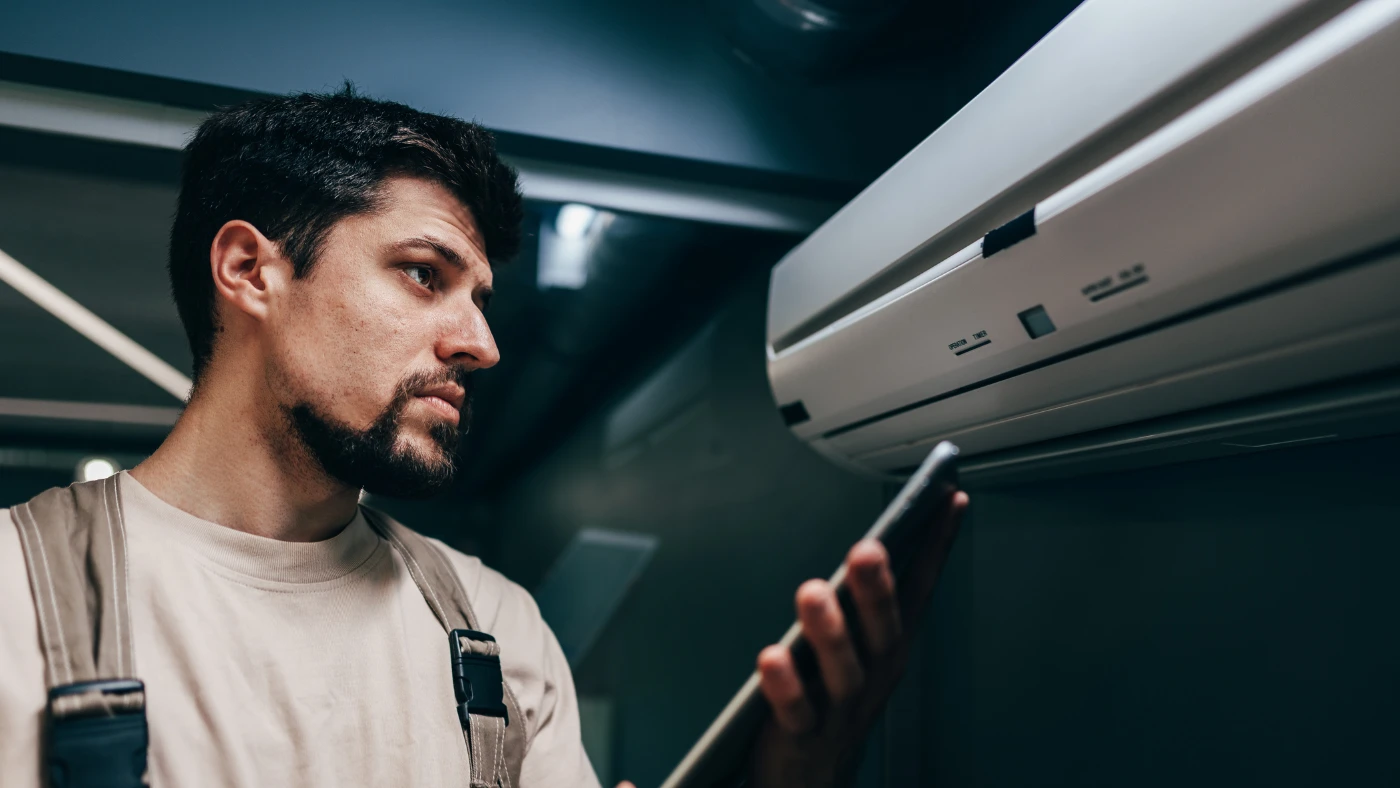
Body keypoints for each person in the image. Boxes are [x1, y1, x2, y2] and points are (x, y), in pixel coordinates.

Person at [0, 89, 968, 788]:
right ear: (253, 269)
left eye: (480, 297)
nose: (481, 343)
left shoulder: (493, 628)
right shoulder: (14, 593)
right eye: (425, 274)